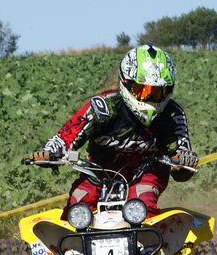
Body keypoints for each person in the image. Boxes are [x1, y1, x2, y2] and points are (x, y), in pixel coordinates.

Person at [34, 44, 199, 216]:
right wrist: (49, 152)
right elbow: (66, 136)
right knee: (79, 203)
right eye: (143, 91)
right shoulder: (102, 108)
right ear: (126, 83)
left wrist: (184, 162)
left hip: (148, 171)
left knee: (143, 201)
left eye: (157, 92)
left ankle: (152, 233)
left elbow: (181, 157)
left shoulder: (172, 114)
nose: (150, 98)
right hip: (99, 170)